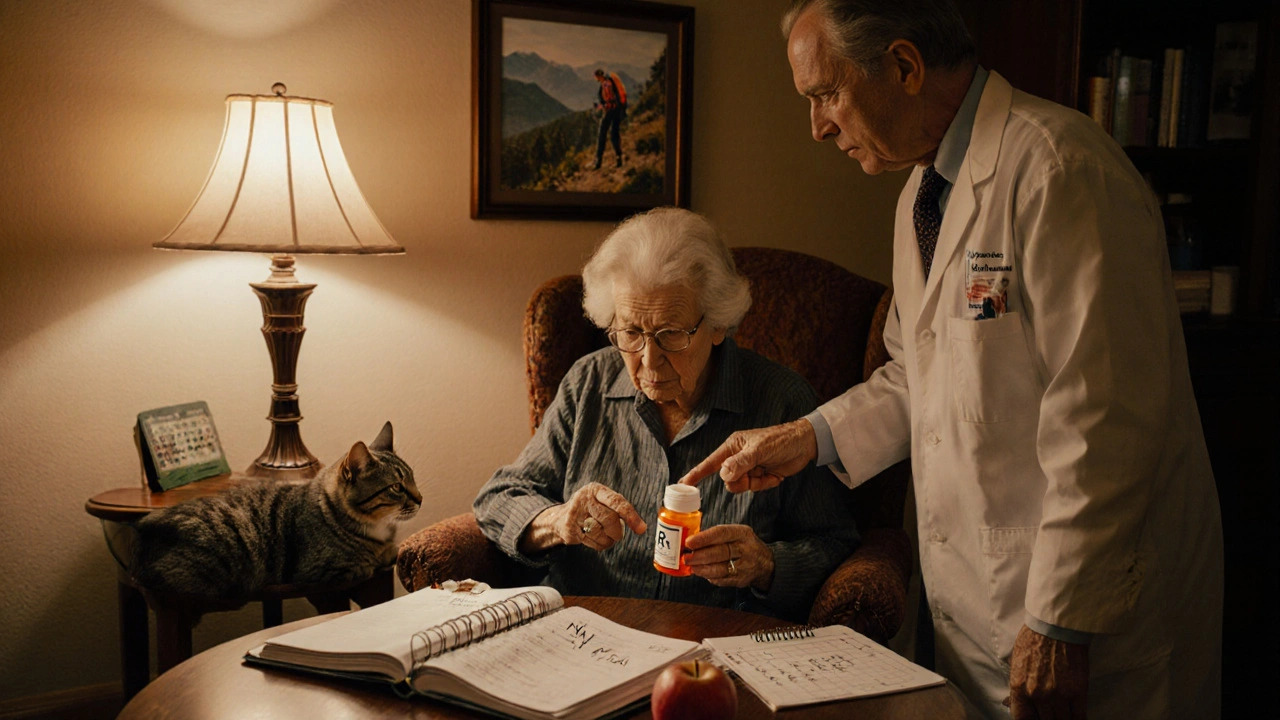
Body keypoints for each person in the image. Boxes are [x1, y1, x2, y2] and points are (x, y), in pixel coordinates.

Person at [679, 1, 1224, 718]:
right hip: (978, 599)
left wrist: (1062, 617)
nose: (817, 126)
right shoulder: (919, 199)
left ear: (903, 66)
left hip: (1090, 612)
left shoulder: (1060, 169)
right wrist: (807, 439)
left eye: (825, 94)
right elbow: (918, 374)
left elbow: (1108, 416)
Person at [473, 207, 858, 622]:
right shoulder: (588, 383)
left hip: (714, 641)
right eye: (631, 333)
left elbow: (834, 543)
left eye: (671, 334)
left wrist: (765, 565)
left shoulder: (783, 402)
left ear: (717, 326)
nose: (649, 361)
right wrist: (558, 521)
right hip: (585, 633)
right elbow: (498, 498)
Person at [593, 68, 626, 169]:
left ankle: (598, 161)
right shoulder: (607, 82)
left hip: (611, 111)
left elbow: (608, 100)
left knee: (602, 134)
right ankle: (618, 158)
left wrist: (602, 106)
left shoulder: (606, 84)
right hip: (616, 111)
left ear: (598, 76)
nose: (596, 79)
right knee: (613, 135)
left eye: (596, 77)